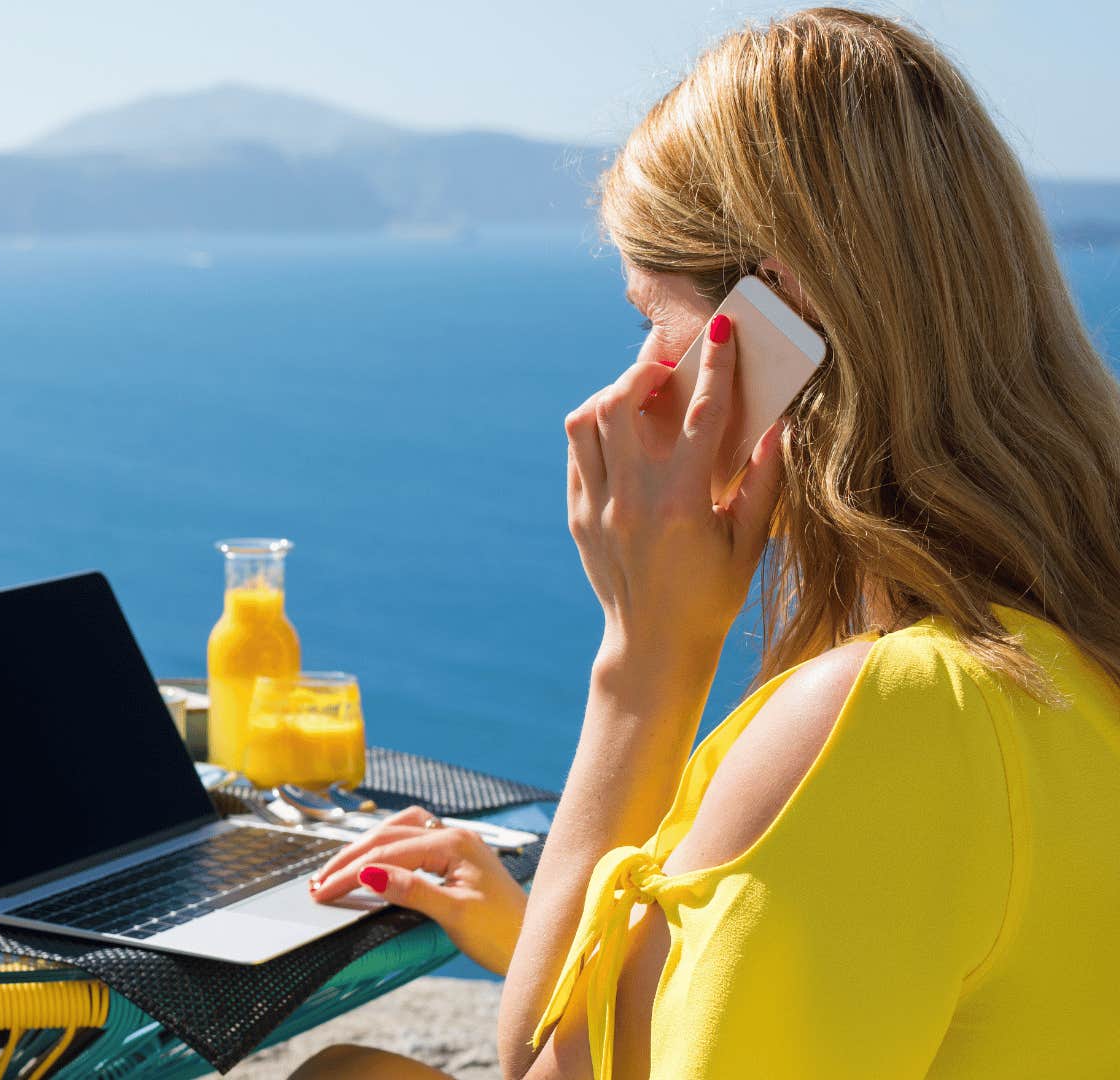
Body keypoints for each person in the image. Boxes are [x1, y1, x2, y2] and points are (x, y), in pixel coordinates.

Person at [294, 7, 1120, 1078]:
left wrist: (647, 657)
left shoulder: (898, 723)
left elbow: (541, 1064)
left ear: (775, 324)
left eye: (655, 319)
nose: (635, 383)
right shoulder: (1066, 655)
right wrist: (558, 925)